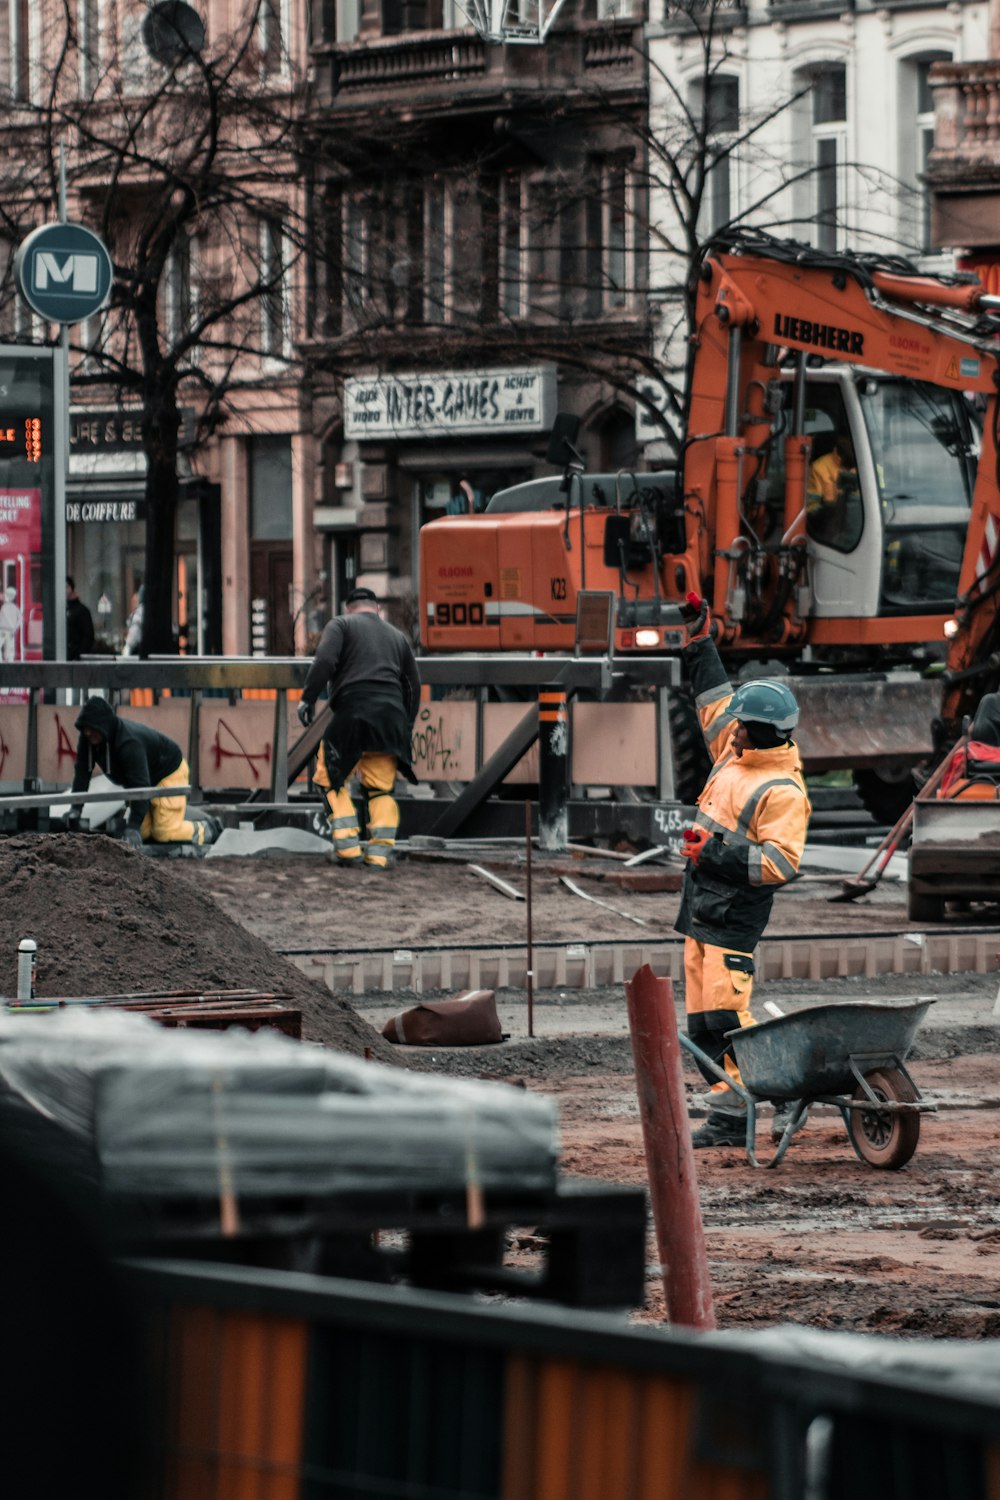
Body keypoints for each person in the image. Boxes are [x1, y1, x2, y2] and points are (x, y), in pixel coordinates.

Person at [676, 597, 812, 1148]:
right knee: (705, 1026)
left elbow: (780, 863)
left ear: (757, 733)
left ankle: (754, 1097)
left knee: (729, 1017)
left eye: (740, 726)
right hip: (702, 912)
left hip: (732, 918)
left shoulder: (782, 791)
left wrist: (710, 852)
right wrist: (697, 641)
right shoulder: (736, 755)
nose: (729, 729)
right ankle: (730, 1110)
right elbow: (713, 700)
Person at [297, 586, 421, 869]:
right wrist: (406, 725)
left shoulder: (340, 624)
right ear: (377, 609)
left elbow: (325, 661)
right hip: (390, 717)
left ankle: (348, 849)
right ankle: (378, 856)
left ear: (348, 608)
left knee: (329, 777)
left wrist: (307, 699)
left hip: (352, 711)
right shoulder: (397, 636)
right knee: (380, 789)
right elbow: (413, 685)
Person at [69, 696, 219, 848]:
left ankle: (209, 829)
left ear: (104, 726)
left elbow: (141, 786)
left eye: (92, 729)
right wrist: (75, 809)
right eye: (85, 729)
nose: (87, 733)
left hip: (168, 772)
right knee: (145, 833)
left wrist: (133, 825)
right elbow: (82, 773)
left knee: (164, 832)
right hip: (144, 778)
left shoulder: (129, 744)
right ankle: (167, 817)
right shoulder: (88, 740)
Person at [66, 576, 95, 660]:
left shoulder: (82, 611)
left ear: (70, 588)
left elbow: (88, 636)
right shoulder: (62, 610)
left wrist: (79, 656)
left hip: (76, 658)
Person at [0, 585, 21, 661]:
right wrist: (15, 628)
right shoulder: (15, 607)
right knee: (10, 647)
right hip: (10, 630)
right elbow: (19, 619)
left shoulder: (4, 607)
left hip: (2, 629)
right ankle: (10, 660)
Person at [123, 585, 144, 655]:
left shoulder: (140, 614)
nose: (134, 604)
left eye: (136, 602)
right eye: (133, 602)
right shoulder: (133, 617)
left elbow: (131, 642)